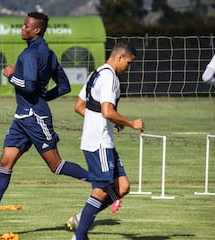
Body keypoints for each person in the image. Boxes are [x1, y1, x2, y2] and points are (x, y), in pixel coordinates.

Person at [0, 12, 90, 236]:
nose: (22, 28)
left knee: (55, 165)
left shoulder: (30, 54)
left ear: (36, 30)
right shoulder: (48, 53)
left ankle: (105, 184)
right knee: (4, 164)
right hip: (23, 118)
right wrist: (42, 98)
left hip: (34, 118)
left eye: (26, 26)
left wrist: (11, 75)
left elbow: (28, 87)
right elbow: (64, 86)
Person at [70, 40, 145, 240]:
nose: (128, 68)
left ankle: (82, 217)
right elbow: (106, 110)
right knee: (101, 190)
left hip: (99, 140)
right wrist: (130, 123)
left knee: (122, 187)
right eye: (128, 63)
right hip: (100, 142)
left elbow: (79, 106)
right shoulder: (111, 77)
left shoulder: (96, 74)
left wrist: (109, 120)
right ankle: (79, 235)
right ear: (120, 57)